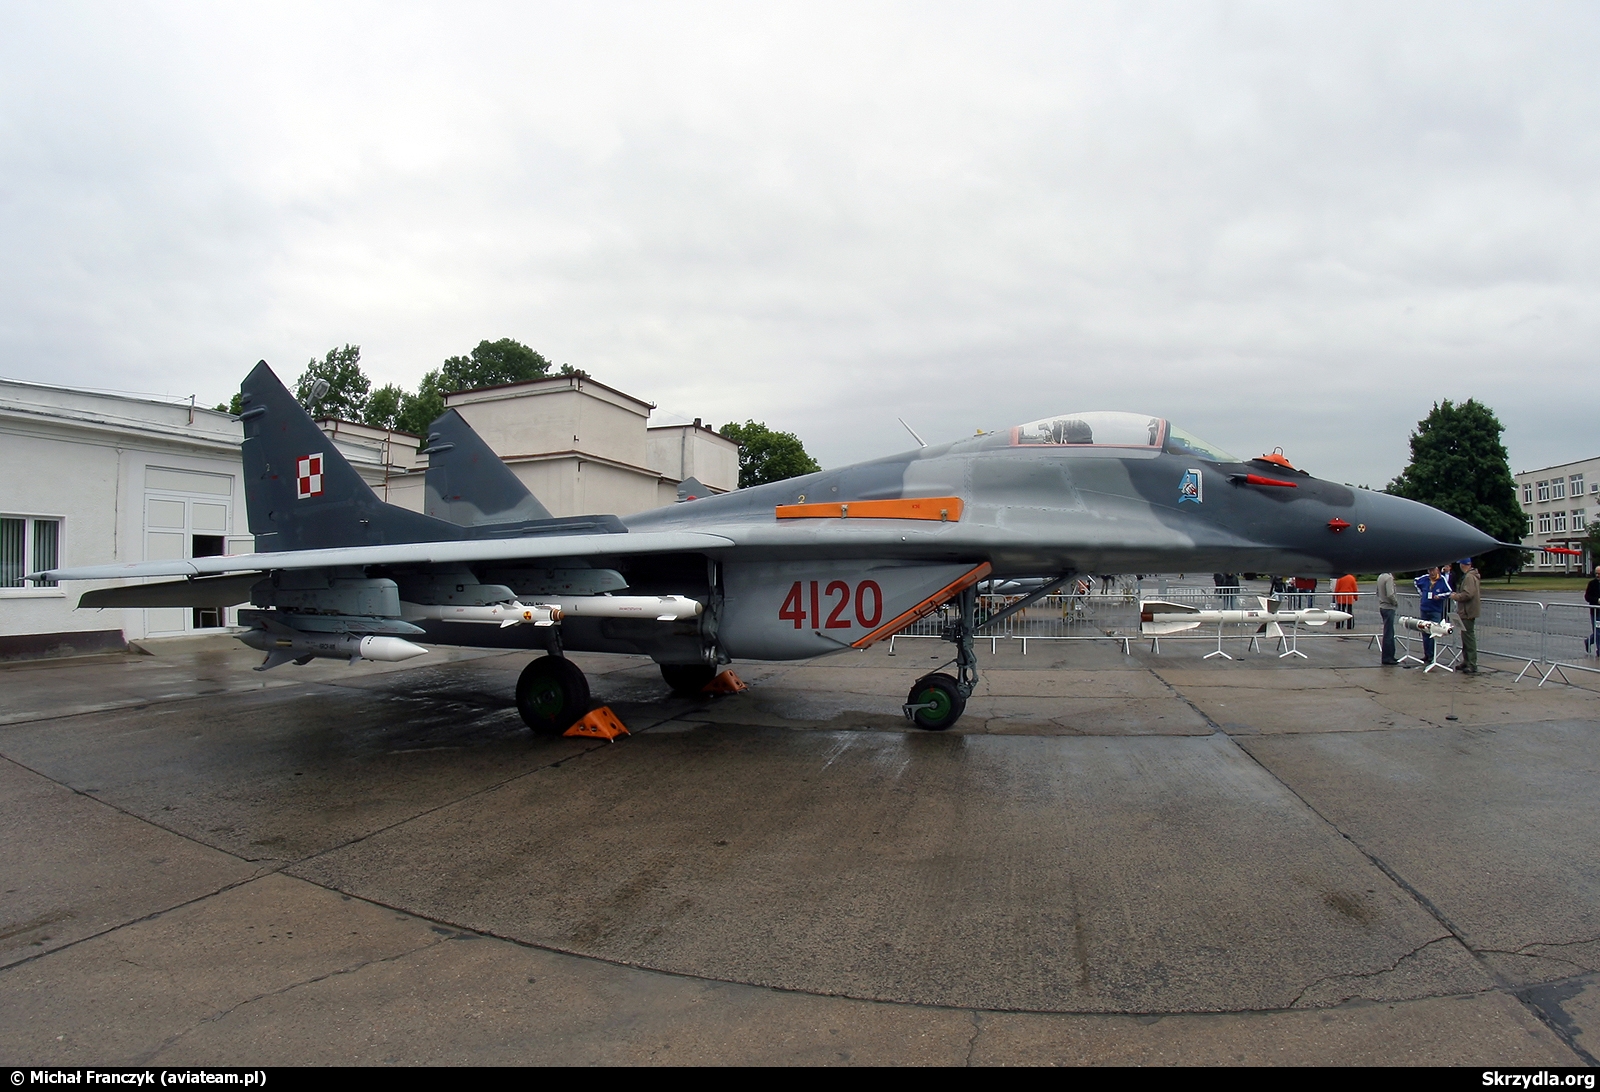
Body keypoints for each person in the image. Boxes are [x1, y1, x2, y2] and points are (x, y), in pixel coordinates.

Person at [1449, 557, 1481, 674]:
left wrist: (1456, 596)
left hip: (1468, 611)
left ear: (1464, 565)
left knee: (1468, 637)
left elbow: (1468, 594)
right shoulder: (1471, 576)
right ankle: (1467, 661)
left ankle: (1471, 664)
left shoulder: (1469, 577)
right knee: (1465, 637)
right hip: (1467, 611)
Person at [1415, 565, 1449, 664]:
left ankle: (1432, 656)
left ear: (1437, 570)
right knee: (1425, 633)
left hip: (1435, 610)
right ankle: (1427, 654)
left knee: (1434, 633)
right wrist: (1422, 594)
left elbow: (1449, 592)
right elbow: (1416, 581)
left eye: (1433, 570)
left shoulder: (1442, 580)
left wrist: (1439, 596)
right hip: (1425, 609)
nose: (1432, 573)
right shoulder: (1424, 578)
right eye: (1430, 570)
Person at [1376, 572, 1399, 664]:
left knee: (1388, 632)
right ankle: (1388, 657)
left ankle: (1389, 656)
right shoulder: (1389, 578)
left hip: (1382, 606)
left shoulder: (1380, 576)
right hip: (1388, 607)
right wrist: (1395, 602)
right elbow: (1390, 594)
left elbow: (1377, 592)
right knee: (1389, 633)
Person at [1585, 565, 1600, 657]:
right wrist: (1597, 600)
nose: (1598, 575)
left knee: (1598, 632)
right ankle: (1599, 651)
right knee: (1598, 631)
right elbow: (1587, 597)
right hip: (1596, 612)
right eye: (1597, 573)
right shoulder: (1592, 584)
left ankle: (1589, 641)